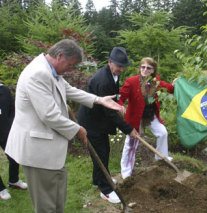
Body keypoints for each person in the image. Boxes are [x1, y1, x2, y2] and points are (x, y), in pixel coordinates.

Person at [5, 39, 124, 212]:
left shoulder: (51, 70)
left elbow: (70, 90)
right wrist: (77, 129)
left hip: (47, 148)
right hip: (37, 150)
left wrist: (99, 100)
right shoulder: (38, 73)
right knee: (46, 204)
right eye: (71, 64)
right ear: (60, 56)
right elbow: (49, 115)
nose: (71, 69)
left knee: (57, 197)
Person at [77, 47, 139, 204]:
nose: (121, 69)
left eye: (123, 66)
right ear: (110, 62)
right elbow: (109, 113)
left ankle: (99, 179)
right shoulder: (103, 81)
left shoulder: (112, 75)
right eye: (119, 66)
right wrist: (129, 129)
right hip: (91, 123)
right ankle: (105, 190)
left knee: (103, 152)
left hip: (98, 119)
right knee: (101, 154)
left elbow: (111, 101)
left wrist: (118, 105)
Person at [119, 57, 175, 179]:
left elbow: (169, 88)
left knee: (163, 133)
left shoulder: (155, 82)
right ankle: (126, 172)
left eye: (148, 68)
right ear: (140, 68)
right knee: (131, 143)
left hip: (149, 116)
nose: (145, 70)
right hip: (135, 117)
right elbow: (121, 96)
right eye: (143, 67)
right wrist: (119, 105)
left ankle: (160, 157)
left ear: (153, 70)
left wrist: (176, 85)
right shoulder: (132, 81)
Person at [0, 83, 28, 200]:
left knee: (14, 156)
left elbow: (13, 110)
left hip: (6, 130)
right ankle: (1, 189)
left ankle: (13, 180)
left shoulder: (4, 90)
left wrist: (13, 128)